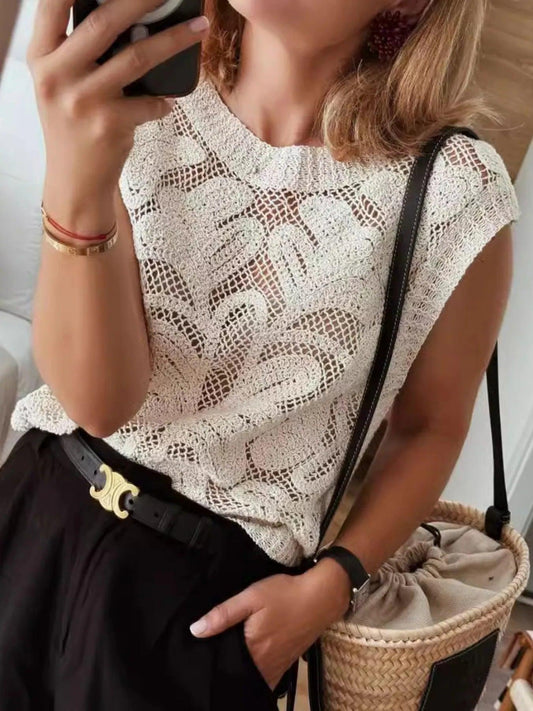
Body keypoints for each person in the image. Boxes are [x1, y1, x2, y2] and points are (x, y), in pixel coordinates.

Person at [0, 0, 520, 709]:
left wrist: (333, 582)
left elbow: (430, 426)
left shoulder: (454, 189)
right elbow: (99, 402)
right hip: (36, 516)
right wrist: (76, 174)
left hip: (208, 613)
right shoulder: (140, 92)